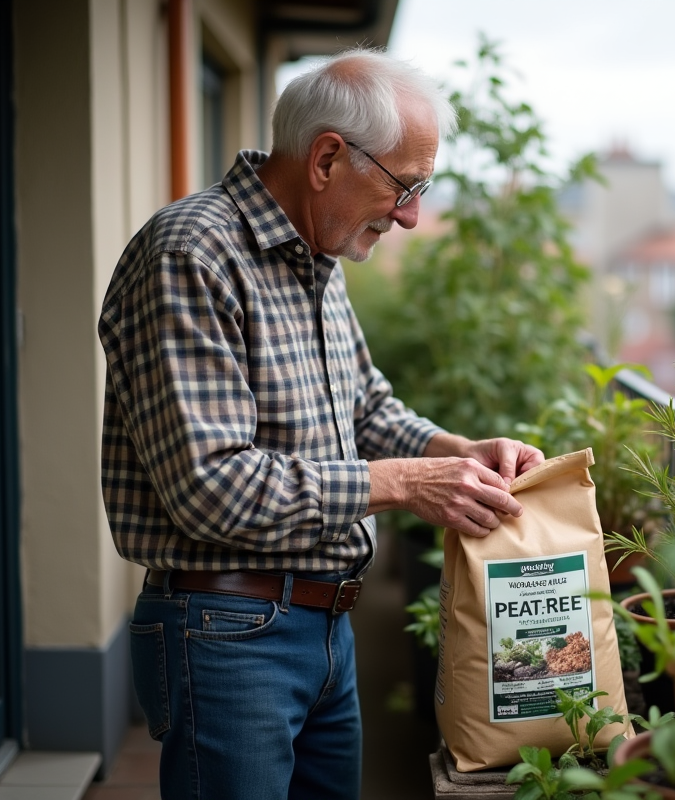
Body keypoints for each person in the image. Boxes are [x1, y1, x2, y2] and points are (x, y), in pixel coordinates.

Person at [98, 48, 543, 800]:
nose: (411, 216)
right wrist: (407, 483)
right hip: (227, 632)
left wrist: (457, 452)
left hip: (326, 626)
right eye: (405, 186)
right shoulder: (191, 254)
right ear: (328, 158)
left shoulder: (317, 253)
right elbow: (211, 486)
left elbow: (365, 406)